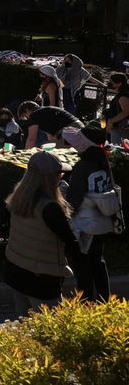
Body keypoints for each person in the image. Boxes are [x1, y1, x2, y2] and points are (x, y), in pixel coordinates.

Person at [3, 150, 80, 317]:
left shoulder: (18, 197)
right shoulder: (50, 207)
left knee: (24, 326)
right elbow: (70, 242)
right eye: (59, 173)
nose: (61, 177)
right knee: (53, 329)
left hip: (17, 271)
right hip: (42, 279)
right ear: (50, 177)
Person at [62, 125, 116, 303]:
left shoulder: (82, 166)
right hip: (102, 218)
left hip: (86, 222)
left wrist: (66, 216)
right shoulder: (102, 162)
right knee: (98, 261)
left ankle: (85, 303)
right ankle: (104, 301)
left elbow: (74, 200)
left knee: (83, 264)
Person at [103, 72, 129, 145]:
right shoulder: (121, 93)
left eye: (111, 82)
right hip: (116, 124)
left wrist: (111, 121)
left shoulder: (123, 96)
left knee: (116, 147)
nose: (109, 83)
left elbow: (126, 112)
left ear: (119, 84)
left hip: (119, 126)